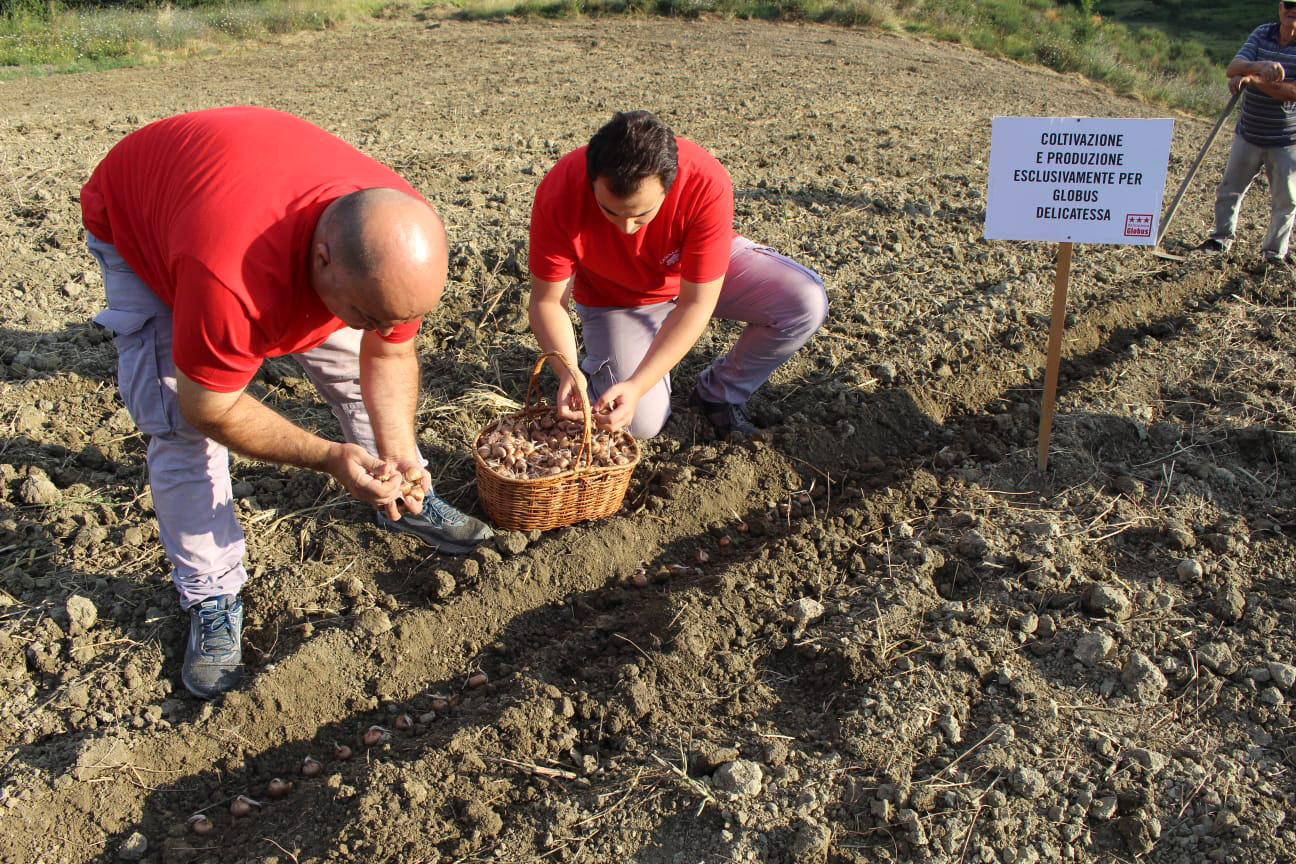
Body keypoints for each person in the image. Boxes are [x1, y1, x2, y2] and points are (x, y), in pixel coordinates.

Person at [81, 106, 493, 699]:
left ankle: (403, 492)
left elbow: (389, 354)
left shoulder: (393, 238)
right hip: (147, 220)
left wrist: (400, 454)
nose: (380, 326)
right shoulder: (228, 277)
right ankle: (211, 594)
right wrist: (329, 457)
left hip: (246, 200)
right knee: (177, 427)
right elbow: (211, 409)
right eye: (368, 314)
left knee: (355, 363)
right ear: (322, 261)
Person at [527, 110, 827, 442]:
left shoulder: (704, 181)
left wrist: (639, 384)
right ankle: (610, 365)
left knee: (803, 301)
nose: (626, 228)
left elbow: (696, 303)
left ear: (669, 186)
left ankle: (720, 392)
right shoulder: (560, 191)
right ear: (591, 179)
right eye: (610, 211)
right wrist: (566, 369)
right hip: (616, 298)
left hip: (697, 275)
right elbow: (548, 300)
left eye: (641, 214)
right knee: (639, 423)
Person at [1197, 1, 1296, 268]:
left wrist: (1252, 79)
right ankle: (1220, 239)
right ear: (1280, 7)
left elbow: (1291, 92)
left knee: (1286, 200)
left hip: (1286, 139)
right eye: (1288, 4)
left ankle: (1274, 254)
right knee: (1230, 188)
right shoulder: (1262, 32)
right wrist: (1258, 64)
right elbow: (1233, 67)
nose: (1292, 9)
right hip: (1249, 132)